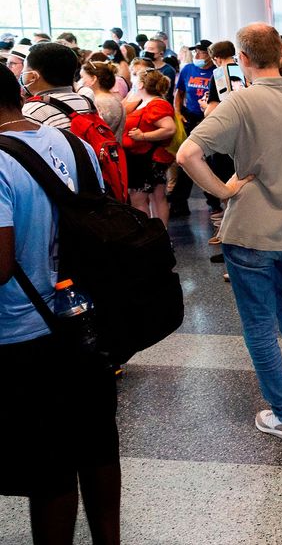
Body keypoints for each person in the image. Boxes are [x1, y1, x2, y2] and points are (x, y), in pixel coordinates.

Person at [176, 23, 282, 441]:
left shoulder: (239, 101)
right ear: (281, 53)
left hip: (252, 230)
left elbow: (188, 153)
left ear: (241, 58)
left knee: (259, 323)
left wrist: (223, 190)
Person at [0, 64, 121, 545]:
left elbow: (1, 265)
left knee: (48, 462)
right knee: (95, 445)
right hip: (83, 317)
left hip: (23, 329)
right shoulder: (74, 143)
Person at [123, 70, 176, 226]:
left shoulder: (156, 104)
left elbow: (169, 128)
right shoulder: (144, 102)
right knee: (156, 196)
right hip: (147, 157)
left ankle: (150, 235)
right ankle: (159, 236)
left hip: (148, 158)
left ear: (140, 84)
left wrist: (143, 136)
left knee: (140, 198)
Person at [170, 40, 217, 216]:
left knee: (208, 162)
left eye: (201, 52)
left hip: (209, 119)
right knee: (187, 159)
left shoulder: (217, 73)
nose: (197, 55)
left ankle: (214, 201)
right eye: (196, 51)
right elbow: (179, 92)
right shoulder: (188, 70)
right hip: (190, 117)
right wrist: (178, 112)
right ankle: (179, 202)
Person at [77, 60, 126, 141]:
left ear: (93, 79)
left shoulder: (98, 101)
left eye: (82, 77)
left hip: (102, 149)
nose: (80, 81)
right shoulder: (115, 98)